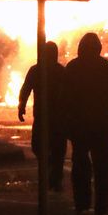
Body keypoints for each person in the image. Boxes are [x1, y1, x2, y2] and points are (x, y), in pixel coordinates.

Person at [62, 33, 108, 215]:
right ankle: (102, 209)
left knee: (80, 166)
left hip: (79, 126)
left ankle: (82, 205)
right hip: (102, 125)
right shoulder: (107, 68)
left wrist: (65, 124)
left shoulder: (73, 68)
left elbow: (63, 100)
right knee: (102, 169)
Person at [17, 41, 67, 192]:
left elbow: (25, 90)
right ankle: (54, 176)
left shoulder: (40, 70)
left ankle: (55, 179)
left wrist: (22, 106)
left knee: (51, 148)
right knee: (48, 148)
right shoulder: (52, 70)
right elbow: (25, 89)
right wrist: (21, 105)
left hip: (51, 116)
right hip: (53, 117)